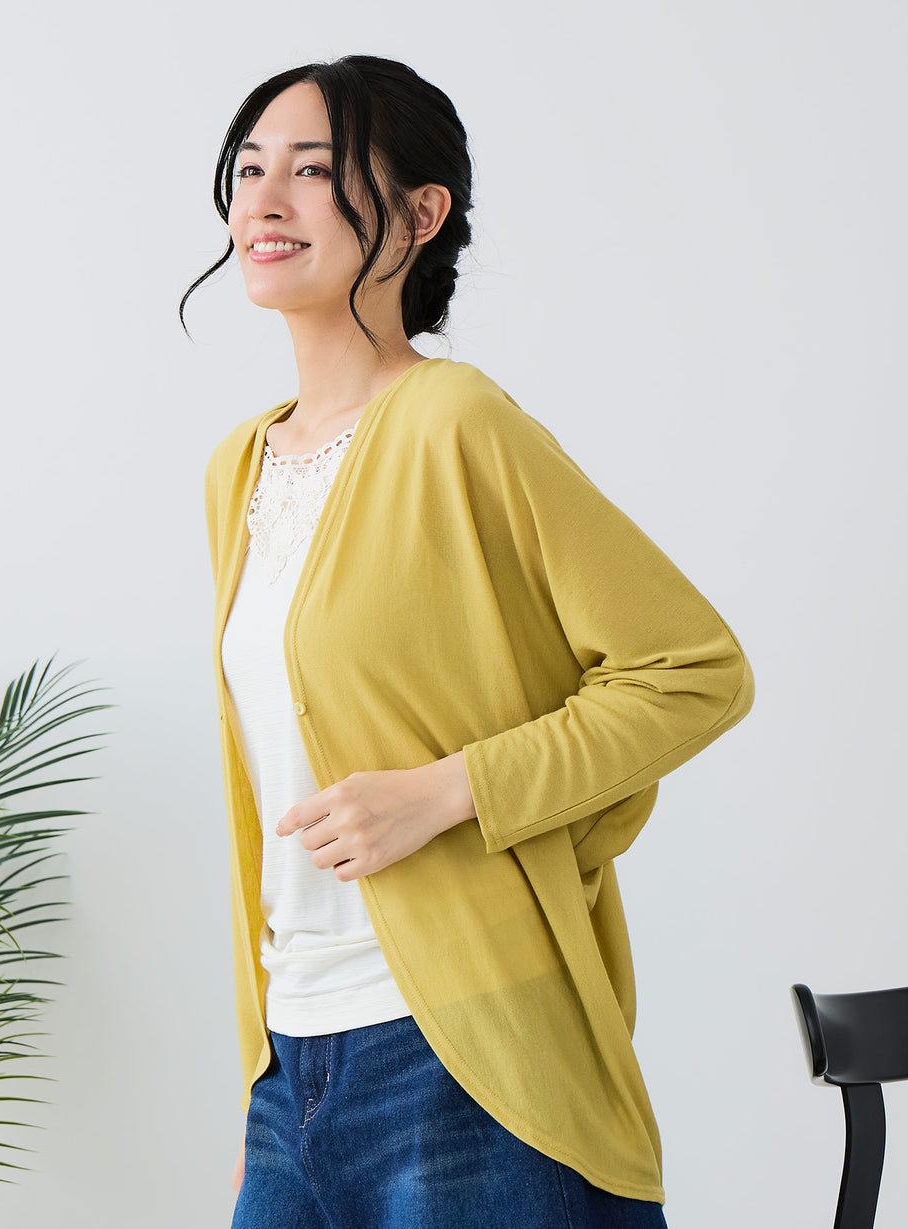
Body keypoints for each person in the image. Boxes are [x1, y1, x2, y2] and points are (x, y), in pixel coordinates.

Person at [184, 54, 753, 1229]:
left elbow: (693, 669)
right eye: (248, 170)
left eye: (312, 170)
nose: (264, 200)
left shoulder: (456, 421)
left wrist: (446, 791)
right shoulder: (236, 466)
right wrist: (263, 1088)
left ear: (418, 213)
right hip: (292, 1062)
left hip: (459, 1051)